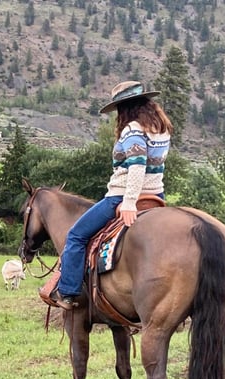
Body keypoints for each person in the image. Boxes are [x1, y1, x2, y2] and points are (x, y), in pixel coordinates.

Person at [50, 80, 173, 310]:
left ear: (124, 108)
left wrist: (128, 202)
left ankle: (67, 292)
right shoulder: (162, 129)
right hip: (157, 196)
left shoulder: (132, 129)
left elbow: (137, 165)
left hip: (121, 196)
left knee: (76, 235)